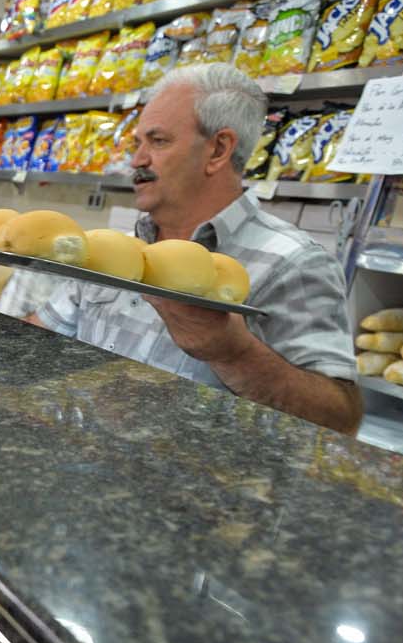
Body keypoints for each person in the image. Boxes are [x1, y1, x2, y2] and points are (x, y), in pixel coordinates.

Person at [31, 64, 363, 435]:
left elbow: (341, 421)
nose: (137, 160)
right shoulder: (119, 247)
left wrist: (233, 352)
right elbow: (40, 340)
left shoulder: (293, 263)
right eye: (137, 143)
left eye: (157, 141)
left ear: (219, 150)